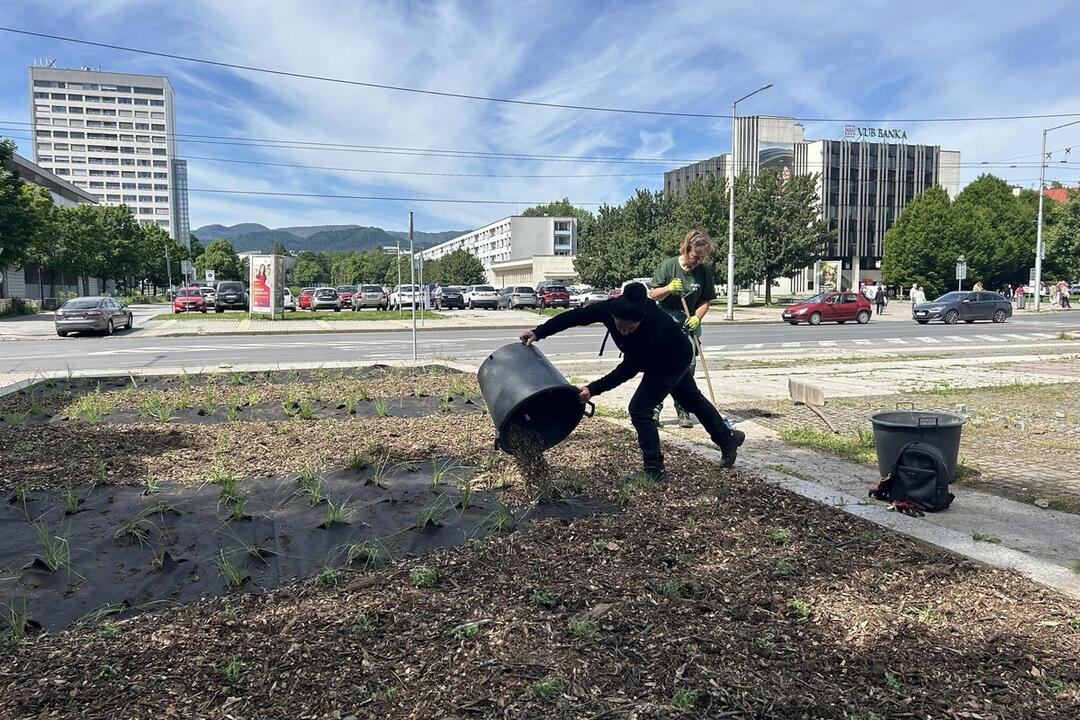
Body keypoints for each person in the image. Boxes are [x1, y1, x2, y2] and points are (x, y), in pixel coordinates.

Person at [519, 282, 745, 480]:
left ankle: (654, 469)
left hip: (672, 358)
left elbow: (627, 369)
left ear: (641, 320)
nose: (624, 332)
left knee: (639, 409)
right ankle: (727, 439)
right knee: (691, 400)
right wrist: (539, 332)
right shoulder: (609, 308)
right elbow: (574, 317)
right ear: (614, 314)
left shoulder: (653, 328)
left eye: (630, 328)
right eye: (619, 326)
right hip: (666, 355)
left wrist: (593, 389)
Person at [648, 230, 716, 429]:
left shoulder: (703, 272)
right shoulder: (669, 266)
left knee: (686, 368)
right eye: (695, 257)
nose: (697, 262)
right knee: (661, 367)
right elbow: (653, 294)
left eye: (701, 258)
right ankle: (654, 410)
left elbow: (706, 301)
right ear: (686, 249)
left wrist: (697, 317)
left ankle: (683, 410)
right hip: (666, 321)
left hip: (688, 322)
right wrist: (668, 288)